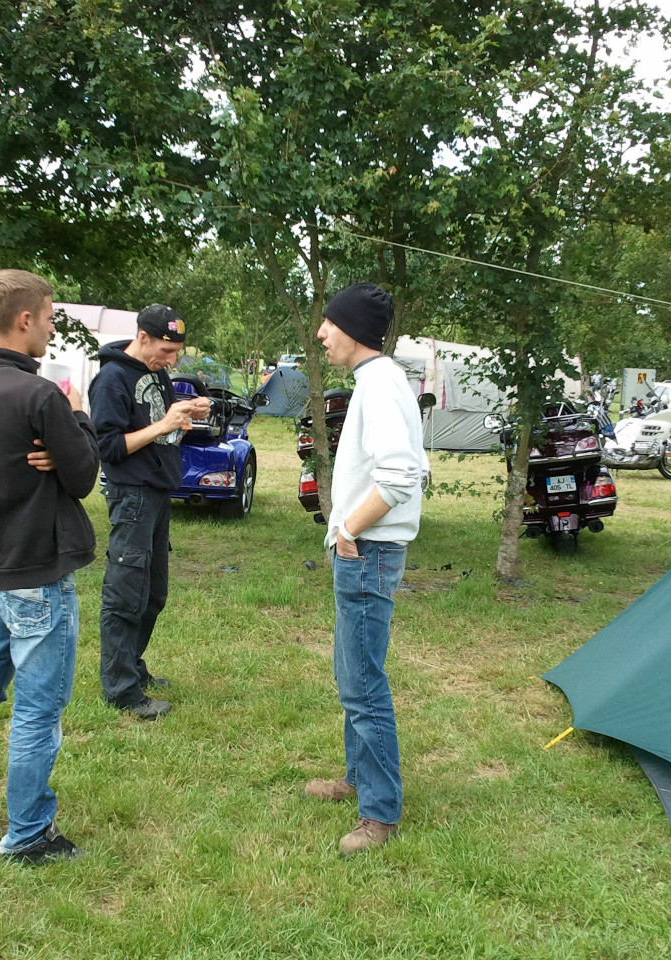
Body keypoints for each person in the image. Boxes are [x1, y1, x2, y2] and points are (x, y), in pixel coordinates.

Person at [0, 269, 100, 864]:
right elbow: (84, 476)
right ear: (25, 319)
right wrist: (76, 418)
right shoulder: (40, 395)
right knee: (37, 708)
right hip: (36, 574)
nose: (52, 330)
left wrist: (49, 455)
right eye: (50, 318)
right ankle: (28, 834)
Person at [302, 282, 429, 857]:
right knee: (351, 672)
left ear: (352, 329)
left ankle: (379, 813)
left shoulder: (379, 385)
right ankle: (357, 779)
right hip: (363, 549)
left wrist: (350, 529)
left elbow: (401, 476)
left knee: (363, 683)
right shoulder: (377, 380)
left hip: (368, 550)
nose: (321, 333)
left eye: (329, 323)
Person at [88, 305, 211, 720]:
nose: (172, 361)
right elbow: (107, 447)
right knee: (125, 593)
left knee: (153, 593)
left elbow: (160, 423)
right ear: (142, 337)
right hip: (131, 495)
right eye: (166, 350)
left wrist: (185, 413)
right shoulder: (111, 379)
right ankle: (120, 690)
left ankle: (132, 668)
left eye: (177, 352)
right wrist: (163, 425)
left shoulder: (155, 373)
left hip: (157, 491)